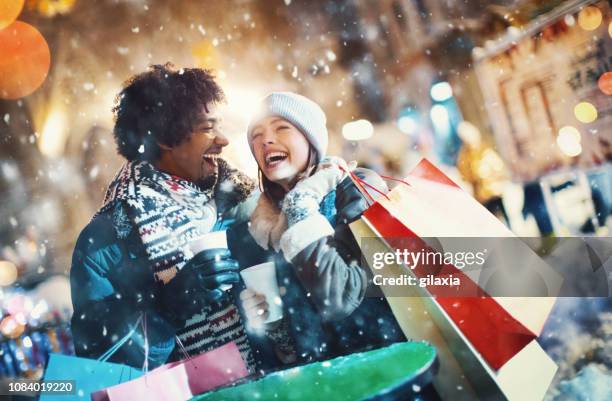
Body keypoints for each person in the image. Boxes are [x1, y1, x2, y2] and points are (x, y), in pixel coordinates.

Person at [70, 63, 258, 371]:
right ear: (165, 139)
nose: (222, 140)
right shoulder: (105, 241)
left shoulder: (240, 201)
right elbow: (98, 362)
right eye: (208, 127)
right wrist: (168, 307)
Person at [236, 92, 405, 366]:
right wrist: (273, 327)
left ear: (311, 140)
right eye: (256, 134)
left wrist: (300, 205)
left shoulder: (357, 188)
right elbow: (295, 350)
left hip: (386, 372)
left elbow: (339, 298)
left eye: (282, 127)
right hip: (321, 384)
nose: (265, 139)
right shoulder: (262, 227)